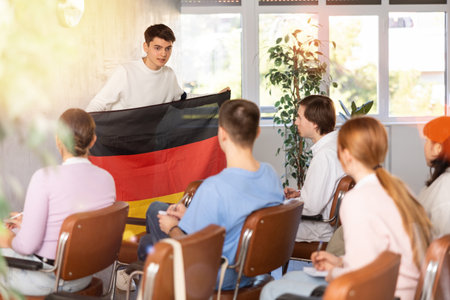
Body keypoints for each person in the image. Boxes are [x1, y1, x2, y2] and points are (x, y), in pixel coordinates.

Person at [261, 116, 432, 300]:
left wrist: (333, 271)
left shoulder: (357, 199)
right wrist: (339, 261)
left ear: (346, 154)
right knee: (294, 277)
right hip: (403, 288)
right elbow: (375, 256)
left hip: (382, 292)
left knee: (272, 289)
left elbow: (358, 278)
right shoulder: (399, 188)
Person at [136, 99, 284, 291]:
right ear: (257, 132)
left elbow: (190, 247)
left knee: (156, 222)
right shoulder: (271, 174)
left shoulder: (214, 188)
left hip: (221, 273)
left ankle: (153, 279)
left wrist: (173, 228)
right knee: (156, 212)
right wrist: (188, 215)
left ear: (221, 134)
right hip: (254, 267)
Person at [0, 108, 116, 296]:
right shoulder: (107, 179)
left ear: (58, 140)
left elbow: (26, 246)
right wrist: (28, 223)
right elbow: (74, 222)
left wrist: (9, 239)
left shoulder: (44, 178)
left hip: (46, 279)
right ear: (93, 140)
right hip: (84, 275)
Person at [284, 95, 344, 243]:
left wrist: (281, 204)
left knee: (258, 227)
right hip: (328, 223)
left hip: (319, 228)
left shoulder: (325, 156)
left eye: (300, 117)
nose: (295, 122)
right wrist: (300, 194)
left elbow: (311, 208)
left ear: (315, 123)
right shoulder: (336, 146)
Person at [86, 24, 185, 112]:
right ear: (146, 47)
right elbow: (98, 103)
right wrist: (81, 129)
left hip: (150, 132)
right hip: (119, 131)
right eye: (157, 48)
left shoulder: (169, 74)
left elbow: (182, 98)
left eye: (168, 48)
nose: (164, 54)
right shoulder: (125, 71)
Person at [418, 116, 450, 238]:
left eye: (427, 140)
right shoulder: (441, 182)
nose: (424, 146)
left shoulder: (445, 186)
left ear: (438, 148)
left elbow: (445, 242)